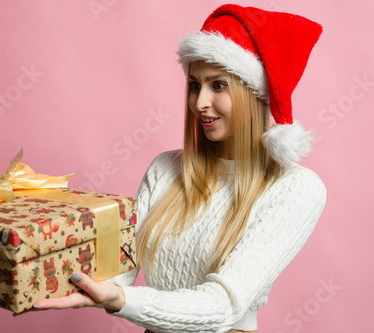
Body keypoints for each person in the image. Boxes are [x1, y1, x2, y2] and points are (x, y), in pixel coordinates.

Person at [33, 4, 327, 333]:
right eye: (194, 84)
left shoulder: (296, 188)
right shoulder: (165, 168)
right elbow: (118, 271)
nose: (199, 102)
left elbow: (222, 306)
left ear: (254, 93)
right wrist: (39, 255)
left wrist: (120, 299)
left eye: (218, 85)